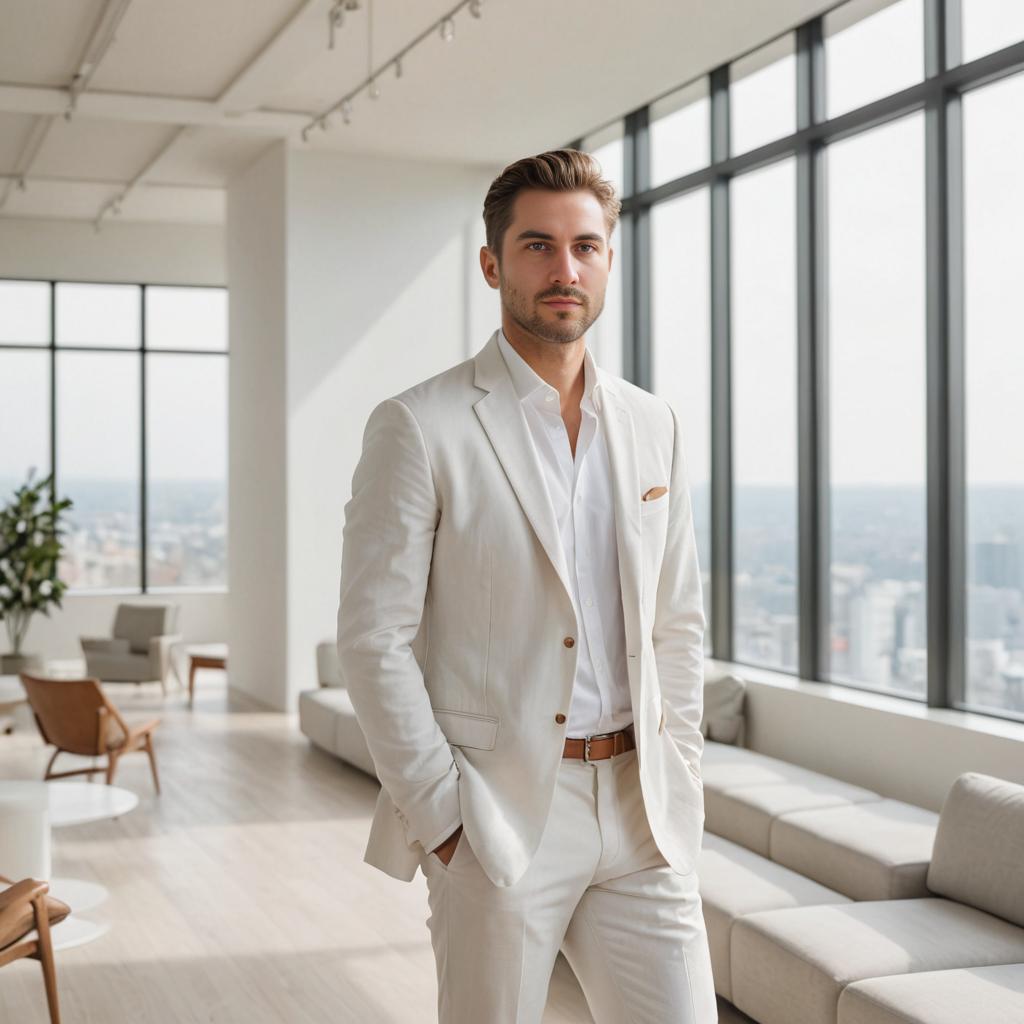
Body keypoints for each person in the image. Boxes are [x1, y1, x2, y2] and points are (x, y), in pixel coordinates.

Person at [336, 148, 716, 1023]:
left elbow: (678, 620)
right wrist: (445, 817)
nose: (565, 268)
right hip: (497, 815)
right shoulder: (420, 425)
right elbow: (373, 638)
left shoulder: (652, 423)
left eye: (585, 246)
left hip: (641, 808)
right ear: (493, 264)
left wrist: (681, 768)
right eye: (538, 245)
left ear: (609, 261)